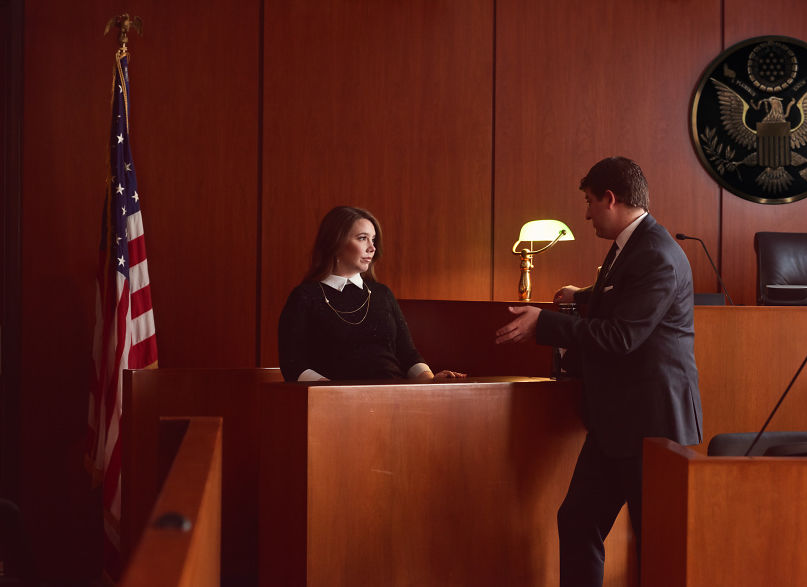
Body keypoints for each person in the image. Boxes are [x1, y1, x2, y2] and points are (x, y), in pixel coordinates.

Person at [495, 157, 702, 586]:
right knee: (577, 521)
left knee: (656, 542)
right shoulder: (634, 246)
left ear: (611, 199)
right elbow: (620, 291)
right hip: (616, 425)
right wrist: (582, 295)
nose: (586, 213)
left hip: (653, 427)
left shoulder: (657, 253)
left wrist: (544, 323)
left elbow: (623, 335)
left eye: (590, 202)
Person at [279, 205, 466, 382]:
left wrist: (431, 381)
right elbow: (293, 365)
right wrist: (329, 392)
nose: (372, 248)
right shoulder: (304, 297)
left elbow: (408, 354)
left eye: (373, 239)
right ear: (335, 243)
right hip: (338, 405)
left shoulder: (382, 294)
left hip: (397, 398)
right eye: (362, 238)